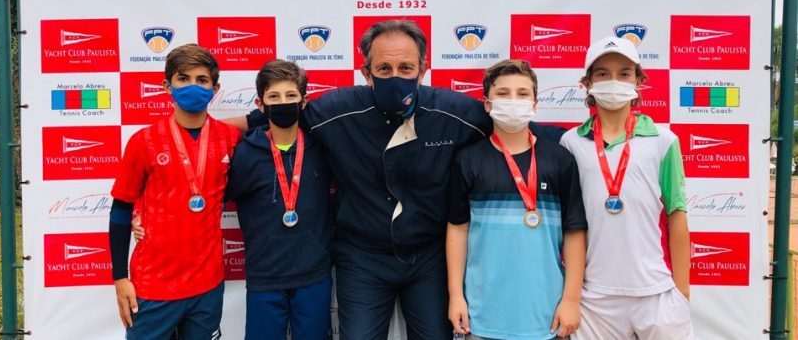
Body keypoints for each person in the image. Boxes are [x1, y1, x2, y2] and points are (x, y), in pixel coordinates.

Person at [231, 19, 565, 339]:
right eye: (384, 69)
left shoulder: (453, 111)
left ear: (423, 70)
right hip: (361, 258)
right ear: (366, 73)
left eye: (406, 68)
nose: (395, 77)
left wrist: (578, 138)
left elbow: (514, 127)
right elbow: (274, 115)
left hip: (428, 257)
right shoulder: (336, 110)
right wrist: (210, 130)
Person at [559, 37, 693, 339]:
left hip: (657, 292)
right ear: (587, 83)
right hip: (594, 296)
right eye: (603, 73)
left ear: (638, 81)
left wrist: (682, 292)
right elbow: (571, 223)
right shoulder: (571, 142)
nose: (614, 81)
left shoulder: (663, 140)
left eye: (624, 73)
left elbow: (677, 213)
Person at [446, 59, 587, 339]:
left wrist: (571, 300)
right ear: (487, 104)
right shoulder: (468, 159)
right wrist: (456, 296)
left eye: (522, 94)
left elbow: (574, 232)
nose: (513, 100)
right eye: (503, 93)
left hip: (546, 315)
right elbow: (458, 229)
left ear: (534, 104)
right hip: (482, 315)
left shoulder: (560, 159)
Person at [108, 43, 241, 339]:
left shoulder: (229, 138)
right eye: (183, 78)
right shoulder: (143, 141)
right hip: (153, 286)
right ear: (167, 86)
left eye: (202, 80)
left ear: (215, 88)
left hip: (207, 285)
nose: (193, 86)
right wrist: (119, 278)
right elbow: (120, 210)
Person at [225, 59, 334, 339]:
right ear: (260, 105)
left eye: (290, 95)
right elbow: (210, 197)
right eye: (274, 97)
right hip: (265, 276)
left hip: (313, 273)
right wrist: (145, 215)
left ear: (304, 101)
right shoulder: (245, 153)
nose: (283, 102)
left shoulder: (323, 147)